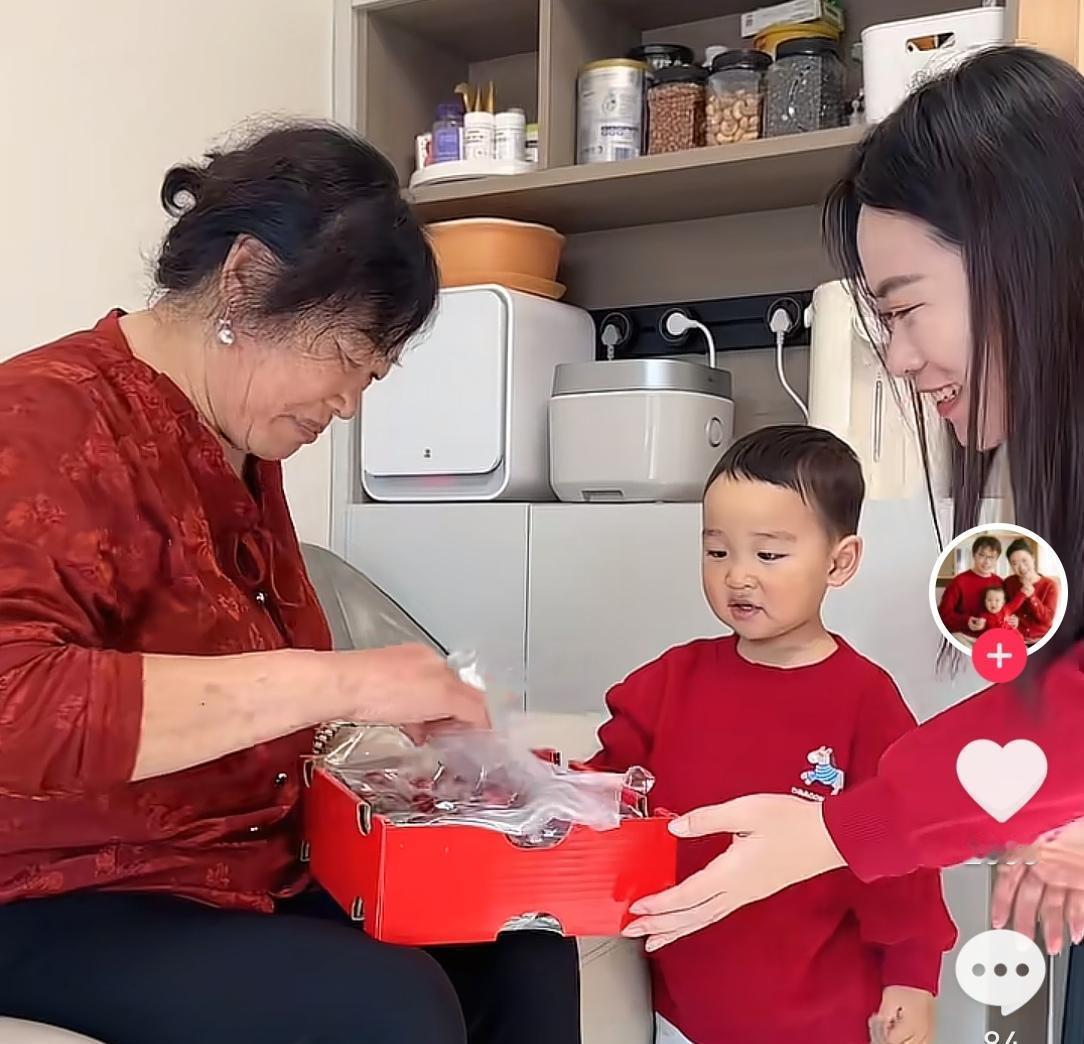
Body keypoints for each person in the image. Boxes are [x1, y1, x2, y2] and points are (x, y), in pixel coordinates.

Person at [0, 123, 580, 1044]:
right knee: (389, 1006)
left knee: (524, 931)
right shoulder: (42, 415)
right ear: (246, 278)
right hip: (63, 888)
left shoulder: (242, 446)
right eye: (346, 355)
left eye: (373, 374)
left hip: (243, 868)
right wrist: (345, 680)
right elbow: (16, 703)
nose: (350, 403)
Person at [621, 46, 1084, 990]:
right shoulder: (674, 679)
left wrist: (838, 831)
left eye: (907, 310)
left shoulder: (864, 695)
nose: (900, 360)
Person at [591, 426, 955, 1044]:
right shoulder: (669, 681)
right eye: (717, 552)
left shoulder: (866, 701)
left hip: (822, 1020)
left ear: (839, 562)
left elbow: (904, 855)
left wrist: (912, 979)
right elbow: (602, 792)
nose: (738, 576)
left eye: (768, 555)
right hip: (680, 1014)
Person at [937, 534, 1005, 637]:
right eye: (982, 555)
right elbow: (943, 615)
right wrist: (966, 622)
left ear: (996, 559)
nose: (987, 562)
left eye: (991, 557)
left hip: (994, 637)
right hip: (965, 636)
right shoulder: (959, 581)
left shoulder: (1000, 582)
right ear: (973, 555)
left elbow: (1007, 610)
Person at [1003, 537, 1059, 644]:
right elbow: (1002, 610)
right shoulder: (1008, 583)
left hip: (1041, 640)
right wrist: (1010, 618)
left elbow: (1047, 620)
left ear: (1033, 558)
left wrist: (1032, 597)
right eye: (1014, 563)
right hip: (1015, 638)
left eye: (1024, 560)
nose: (1022, 567)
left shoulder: (1050, 585)